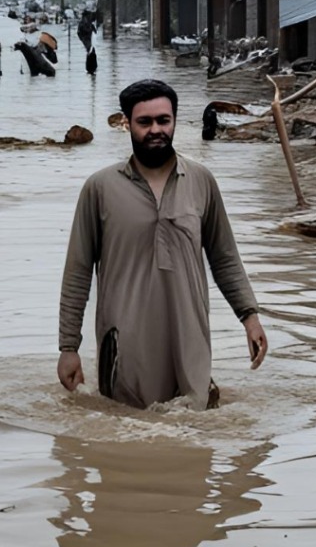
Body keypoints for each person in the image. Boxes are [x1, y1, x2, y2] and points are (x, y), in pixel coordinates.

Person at [57, 77, 266, 410]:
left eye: (163, 120)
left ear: (174, 121)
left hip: (189, 336)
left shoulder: (201, 181)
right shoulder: (100, 189)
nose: (155, 129)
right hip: (124, 346)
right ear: (127, 124)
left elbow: (224, 257)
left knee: (195, 425)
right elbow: (78, 271)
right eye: (145, 122)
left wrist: (250, 317)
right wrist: (69, 347)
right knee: (123, 427)